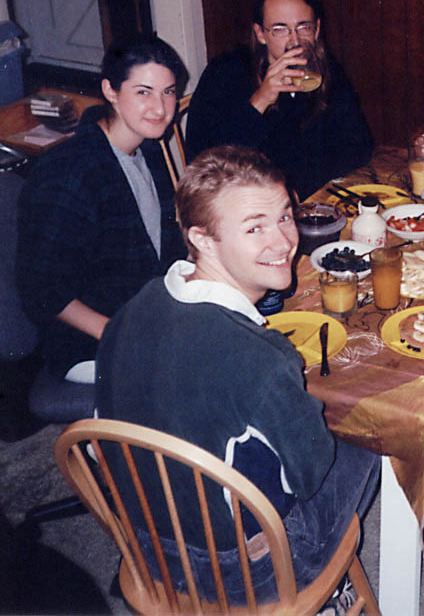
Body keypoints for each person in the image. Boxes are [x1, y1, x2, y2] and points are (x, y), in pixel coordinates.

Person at [94, 146, 380, 608]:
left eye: (285, 216)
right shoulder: (261, 358)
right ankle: (325, 593)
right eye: (254, 228)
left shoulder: (130, 311)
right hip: (239, 574)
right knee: (375, 439)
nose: (284, 241)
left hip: (142, 547)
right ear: (204, 240)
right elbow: (310, 474)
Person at [16, 36, 189, 386]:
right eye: (143, 92)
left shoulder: (148, 147)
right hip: (87, 341)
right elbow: (41, 290)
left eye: (168, 92)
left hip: (146, 312)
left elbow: (164, 248)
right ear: (110, 91)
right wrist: (117, 334)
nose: (160, 107)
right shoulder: (69, 173)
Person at [186, 0, 373, 200]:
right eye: (280, 29)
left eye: (303, 27)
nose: (294, 41)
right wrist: (260, 100)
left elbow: (358, 143)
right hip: (240, 203)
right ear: (260, 34)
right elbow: (204, 163)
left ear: (316, 30)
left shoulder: (326, 69)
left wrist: (297, 189)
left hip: (305, 199)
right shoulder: (225, 72)